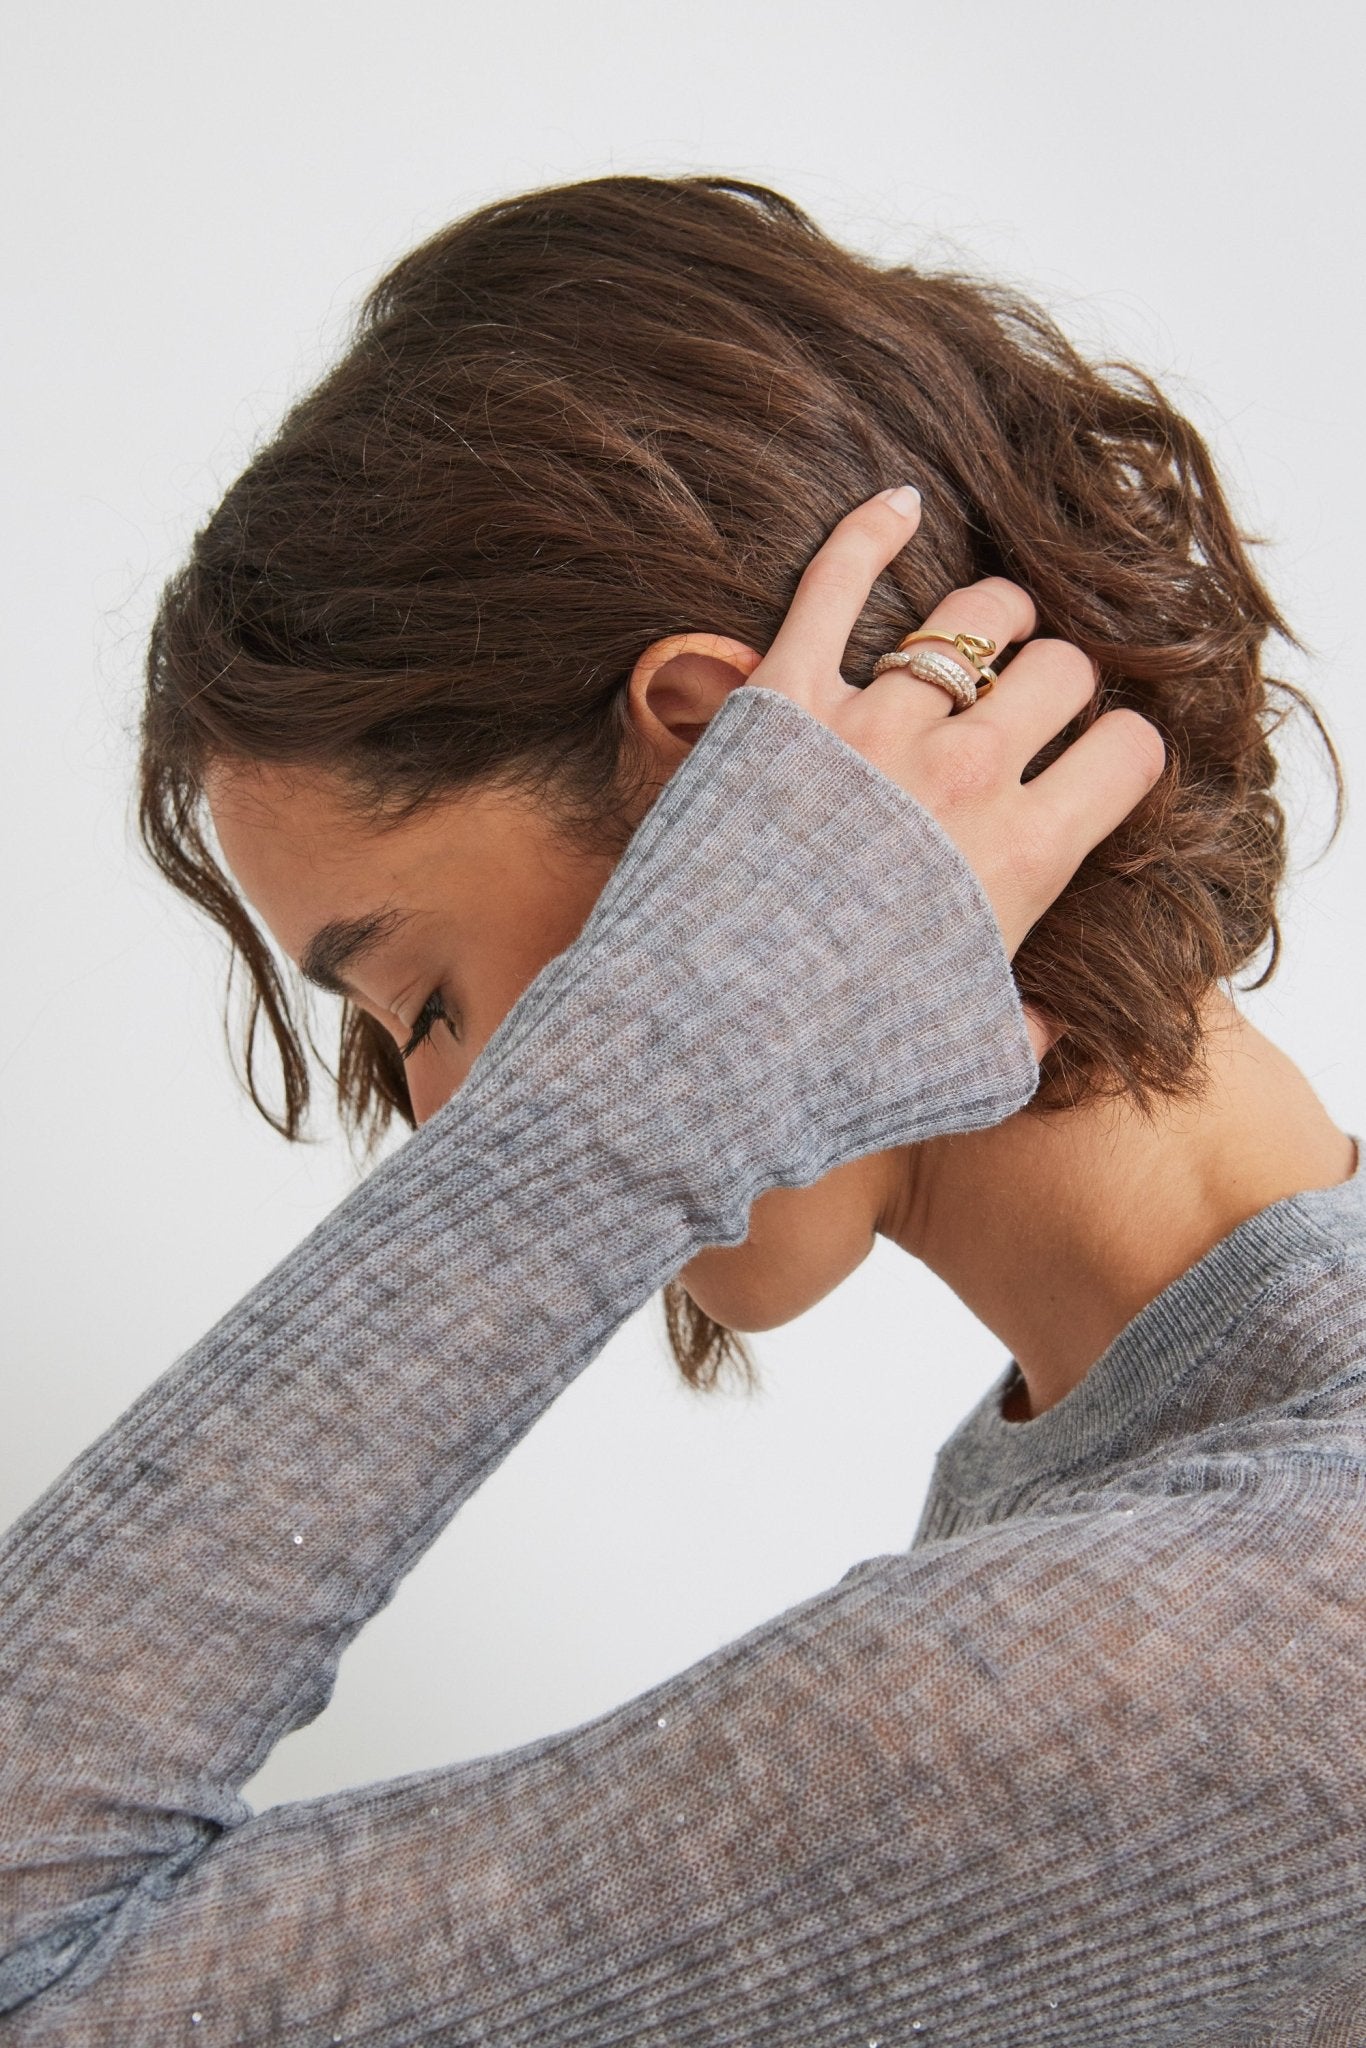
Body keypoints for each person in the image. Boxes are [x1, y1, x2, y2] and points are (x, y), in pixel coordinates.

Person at [1, 175, 1362, 2045]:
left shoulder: (1247, 1632)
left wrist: (657, 1069)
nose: (458, 1118)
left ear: (734, 770)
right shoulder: (1138, 1482)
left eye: (429, 1001)